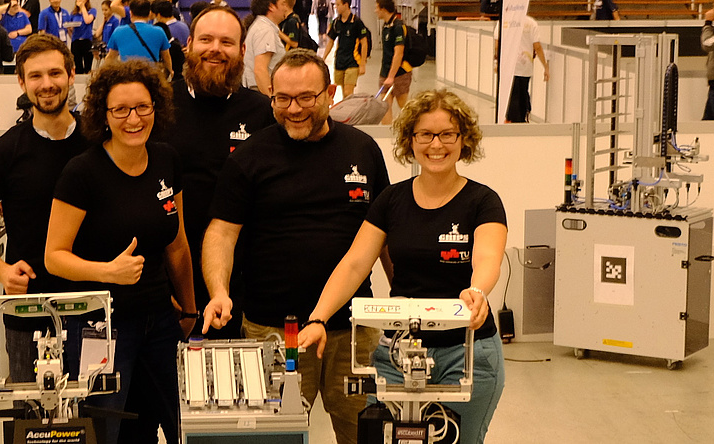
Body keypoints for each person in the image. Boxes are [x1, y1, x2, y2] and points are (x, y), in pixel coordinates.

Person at [202, 49, 390, 444]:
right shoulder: (250, 157)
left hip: (354, 331)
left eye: (306, 97)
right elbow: (221, 233)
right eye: (282, 99)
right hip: (273, 331)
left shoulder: (363, 150)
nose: (294, 109)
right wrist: (218, 291)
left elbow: (384, 232)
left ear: (330, 92)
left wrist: (406, 295)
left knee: (366, 434)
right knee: (275, 437)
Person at [299, 88, 507, 444]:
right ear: (410, 140)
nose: (436, 145)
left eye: (447, 134)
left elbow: (488, 256)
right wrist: (318, 317)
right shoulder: (391, 200)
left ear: (464, 140)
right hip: (399, 352)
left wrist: (477, 292)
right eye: (425, 134)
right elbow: (354, 264)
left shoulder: (482, 201)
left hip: (468, 352)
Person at [45, 59, 195, 444]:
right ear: (103, 115)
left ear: (156, 109)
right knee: (103, 431)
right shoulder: (82, 173)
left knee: (185, 423)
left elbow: (176, 244)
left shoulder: (166, 160)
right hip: (101, 328)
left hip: (160, 320)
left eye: (143, 107)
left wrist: (189, 307)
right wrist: (107, 272)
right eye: (121, 110)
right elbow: (54, 256)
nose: (133, 119)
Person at [0, 34, 87, 383]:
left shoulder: (99, 141)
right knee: (32, 423)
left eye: (56, 73)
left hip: (92, 306)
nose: (47, 84)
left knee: (96, 420)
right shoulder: (4, 152)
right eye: (36, 76)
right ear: (22, 82)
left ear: (72, 75)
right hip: (28, 308)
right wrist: (1, 270)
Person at [159, 5, 275, 339]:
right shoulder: (158, 106)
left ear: (241, 50)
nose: (215, 49)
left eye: (226, 42)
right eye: (206, 39)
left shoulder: (261, 113)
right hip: (169, 283)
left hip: (244, 284)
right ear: (189, 44)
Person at [504, 15, 548, 123]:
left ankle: (512, 118)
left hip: (509, 65)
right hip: (525, 65)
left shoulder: (506, 21)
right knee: (523, 90)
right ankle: (523, 116)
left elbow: (497, 44)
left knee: (512, 93)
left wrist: (496, 62)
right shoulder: (532, 23)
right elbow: (537, 46)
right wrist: (545, 66)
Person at [105, 0, 171, 71]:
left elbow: (111, 57)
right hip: (151, 75)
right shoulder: (159, 31)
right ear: (149, 13)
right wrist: (170, 71)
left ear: (131, 13)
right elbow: (166, 56)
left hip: (128, 74)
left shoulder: (118, 31)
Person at [242, 0, 291, 95]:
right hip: (260, 91)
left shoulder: (262, 26)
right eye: (283, 4)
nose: (286, 8)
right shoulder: (265, 30)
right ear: (271, 7)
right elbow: (260, 70)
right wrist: (272, 100)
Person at [321, 0, 368, 98]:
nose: (336, 7)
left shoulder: (356, 22)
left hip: (352, 61)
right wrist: (323, 58)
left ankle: (350, 112)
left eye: (338, 5)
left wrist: (362, 63)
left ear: (346, 5)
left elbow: (364, 43)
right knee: (344, 92)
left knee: (348, 92)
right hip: (340, 61)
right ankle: (347, 110)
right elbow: (331, 42)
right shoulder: (336, 22)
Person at [377, 0, 408, 124]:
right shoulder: (386, 26)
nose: (375, 11)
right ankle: (387, 135)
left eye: (377, 8)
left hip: (400, 74)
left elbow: (398, 53)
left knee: (404, 105)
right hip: (384, 72)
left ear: (383, 9)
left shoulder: (398, 27)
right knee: (384, 106)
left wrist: (391, 76)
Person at [70, 0, 96, 73]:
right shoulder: (73, 13)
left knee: (88, 66)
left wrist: (82, 7)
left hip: (87, 40)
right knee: (77, 66)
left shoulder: (92, 11)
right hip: (76, 41)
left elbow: (87, 20)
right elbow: (70, 27)